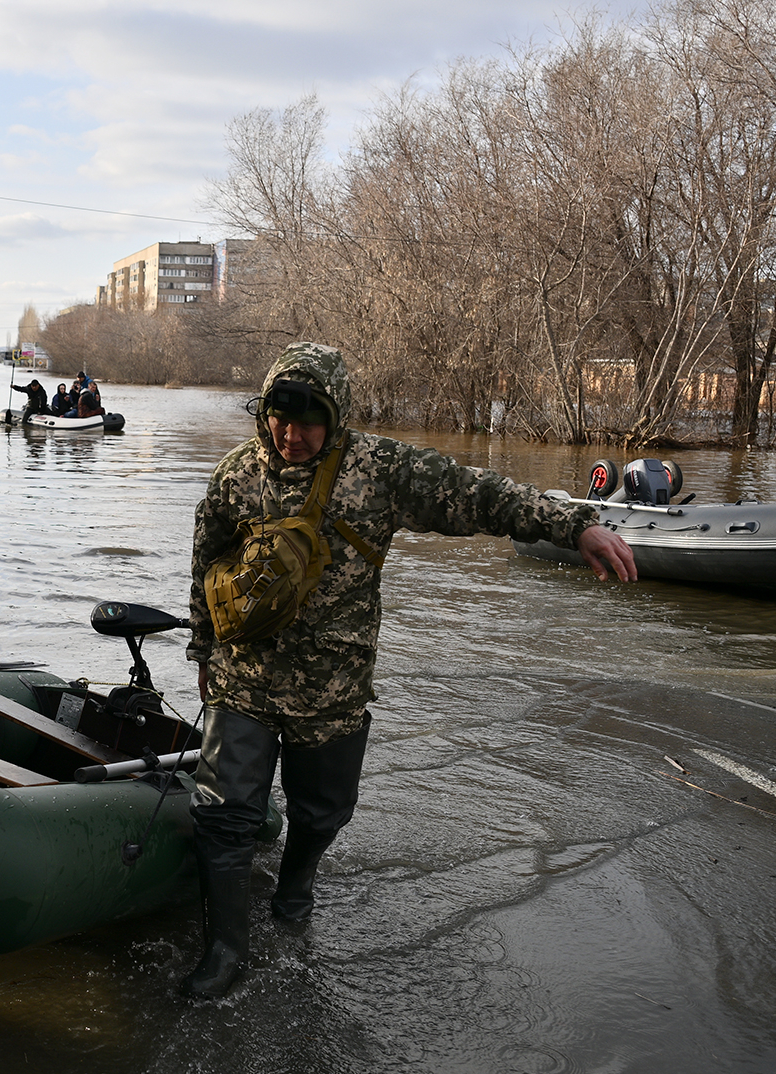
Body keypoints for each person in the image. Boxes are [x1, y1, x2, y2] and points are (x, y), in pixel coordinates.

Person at [180, 340, 636, 1000]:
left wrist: (576, 526)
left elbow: (479, 495)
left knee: (322, 815)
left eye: (309, 420)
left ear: (336, 416)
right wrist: (202, 654)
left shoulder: (381, 470)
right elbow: (205, 569)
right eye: (280, 416)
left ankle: (296, 886)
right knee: (222, 817)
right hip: (243, 681)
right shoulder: (234, 475)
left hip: (332, 694)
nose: (291, 434)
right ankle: (224, 954)